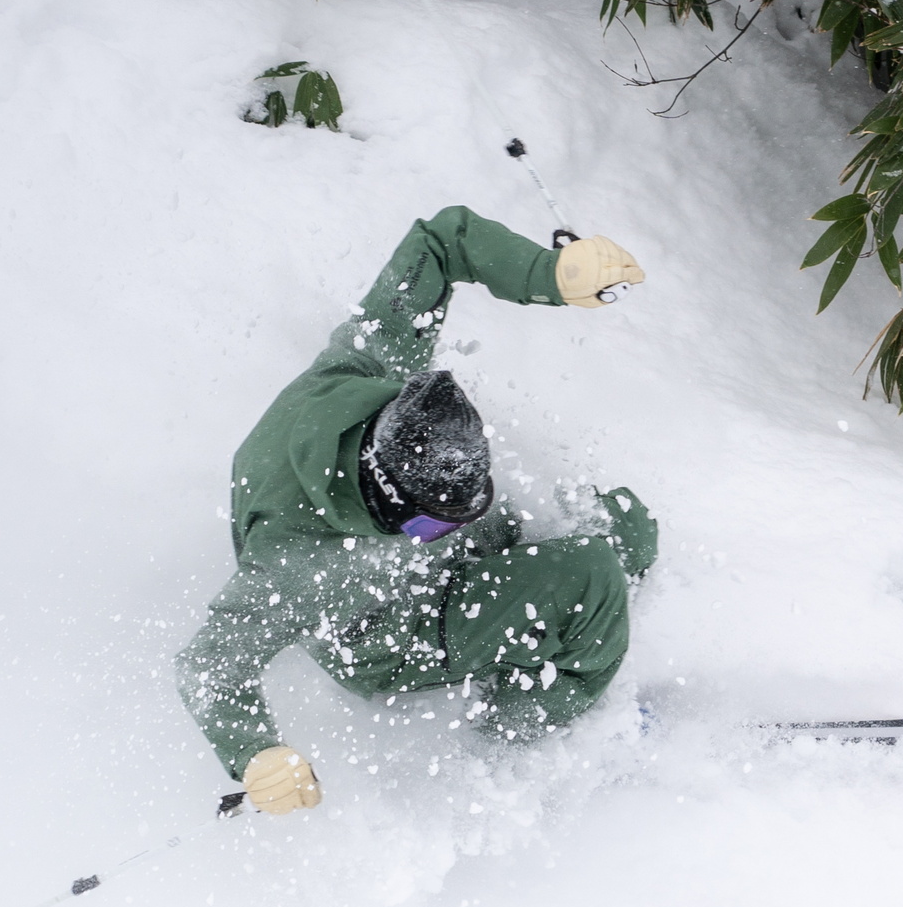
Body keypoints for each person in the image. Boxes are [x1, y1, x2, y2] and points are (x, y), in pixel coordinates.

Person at [176, 205, 657, 814]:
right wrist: (255, 755)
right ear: (388, 507)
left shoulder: (367, 370)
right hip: (397, 635)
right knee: (595, 574)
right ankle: (524, 722)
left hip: (420, 566)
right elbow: (208, 667)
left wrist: (547, 272)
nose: (454, 524)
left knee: (623, 520)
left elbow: (438, 240)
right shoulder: (301, 566)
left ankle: (571, 628)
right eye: (436, 523)